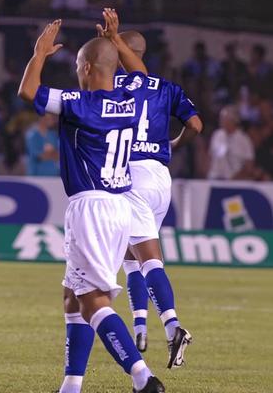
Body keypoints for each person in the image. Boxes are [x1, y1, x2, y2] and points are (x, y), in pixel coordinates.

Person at [17, 11, 163, 393]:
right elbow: (143, 75)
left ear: (84, 66)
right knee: (72, 295)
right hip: (120, 207)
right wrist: (116, 42)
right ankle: (71, 384)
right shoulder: (132, 99)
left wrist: (39, 54)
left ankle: (142, 377)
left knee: (93, 301)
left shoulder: (80, 103)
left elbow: (28, 92)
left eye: (78, 66)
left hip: (91, 207)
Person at [108, 30, 201, 365]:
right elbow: (196, 125)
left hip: (130, 174)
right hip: (160, 176)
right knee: (132, 257)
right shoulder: (167, 87)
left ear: (119, 53)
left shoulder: (116, 85)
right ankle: (140, 327)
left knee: (147, 258)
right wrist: (173, 145)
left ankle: (173, 325)